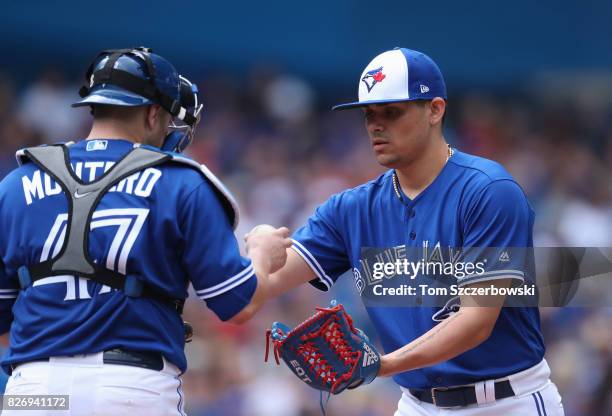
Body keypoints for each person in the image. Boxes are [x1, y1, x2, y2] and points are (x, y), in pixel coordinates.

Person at [246, 48, 565, 415]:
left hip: (508, 401)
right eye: (369, 115)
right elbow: (259, 286)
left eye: (392, 112)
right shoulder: (352, 209)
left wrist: (382, 365)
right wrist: (258, 253)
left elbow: (477, 320)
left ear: (435, 109)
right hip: (417, 405)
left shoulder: (489, 191)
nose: (376, 125)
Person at [0, 47, 290, 415]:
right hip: (129, 388)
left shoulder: (17, 182)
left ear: (95, 106)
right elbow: (239, 305)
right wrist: (262, 255)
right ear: (154, 113)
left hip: (34, 391)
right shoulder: (181, 182)